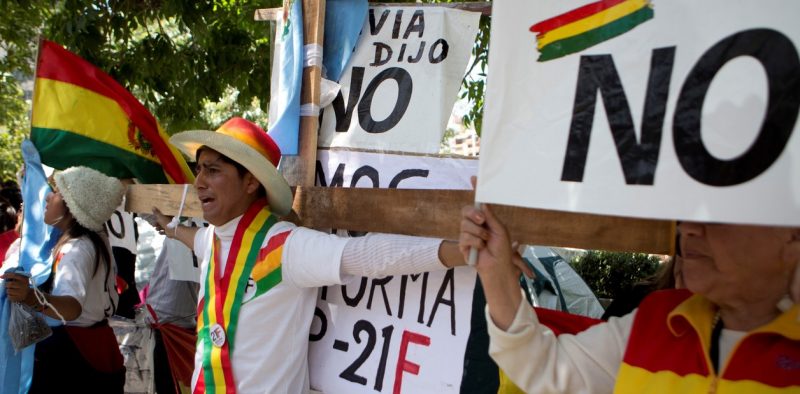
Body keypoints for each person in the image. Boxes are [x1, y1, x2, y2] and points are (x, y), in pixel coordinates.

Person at [152, 117, 465, 393]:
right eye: (199, 169)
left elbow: (368, 255)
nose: (199, 182)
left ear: (250, 182)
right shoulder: (214, 239)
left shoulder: (284, 247)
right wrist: (171, 229)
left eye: (213, 170)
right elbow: (196, 240)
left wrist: (462, 250)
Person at [460, 202, 800, 393]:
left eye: (719, 216)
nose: (689, 228)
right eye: (688, 212)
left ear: (791, 236)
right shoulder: (657, 320)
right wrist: (495, 273)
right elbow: (542, 368)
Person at [2, 166, 126, 393]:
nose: (48, 197)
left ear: (73, 206)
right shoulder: (90, 238)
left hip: (76, 357)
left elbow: (72, 308)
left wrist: (31, 296)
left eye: (57, 192)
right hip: (90, 346)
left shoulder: (76, 249)